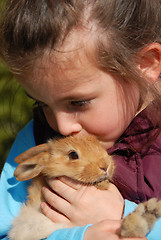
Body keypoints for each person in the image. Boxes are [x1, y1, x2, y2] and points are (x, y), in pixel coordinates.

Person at [0, 0, 161, 239]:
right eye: (42, 104)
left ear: (145, 65)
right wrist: (79, 235)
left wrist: (120, 215)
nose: (62, 127)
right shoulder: (36, 139)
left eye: (78, 102)